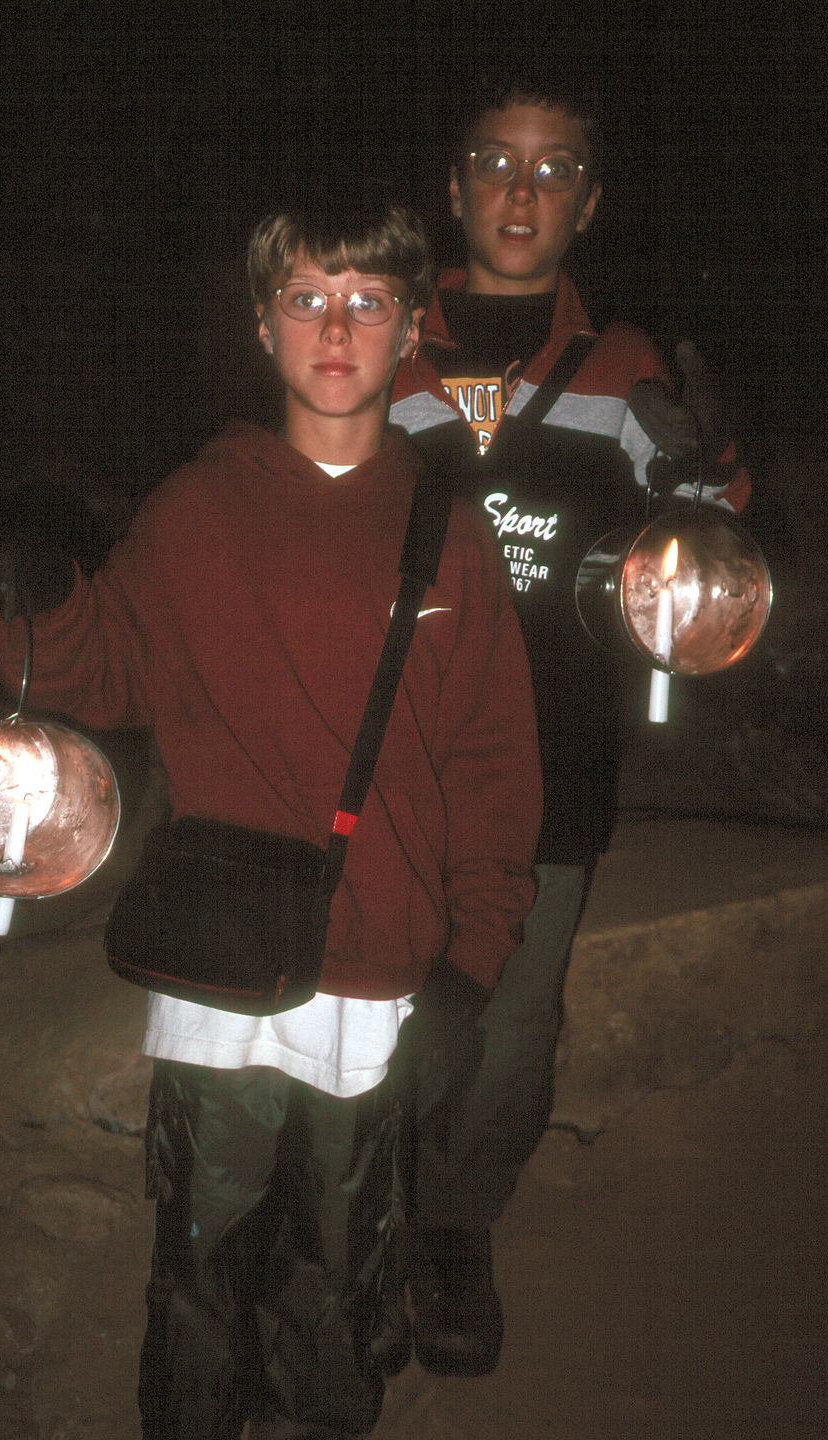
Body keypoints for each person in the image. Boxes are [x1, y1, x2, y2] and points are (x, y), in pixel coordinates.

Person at [0, 199, 541, 1438]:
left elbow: (494, 766)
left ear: (409, 333)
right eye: (305, 297)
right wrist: (39, 591)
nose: (335, 327)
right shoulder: (197, 506)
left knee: (338, 1279)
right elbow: (104, 675)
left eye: (367, 301)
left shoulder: (448, 533)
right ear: (261, 324)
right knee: (201, 1260)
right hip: (217, 976)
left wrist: (472, 964)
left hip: (375, 978)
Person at [388, 72, 750, 1377]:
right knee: (381, 997)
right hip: (389, 758)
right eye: (497, 161)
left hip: (556, 763)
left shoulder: (626, 368)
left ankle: (451, 1232)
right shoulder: (377, 336)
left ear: (590, 200)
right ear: (457, 183)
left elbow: (708, 561)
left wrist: (709, 473)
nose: (522, 191)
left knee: (512, 1023)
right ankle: (363, 1224)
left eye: (554, 169)